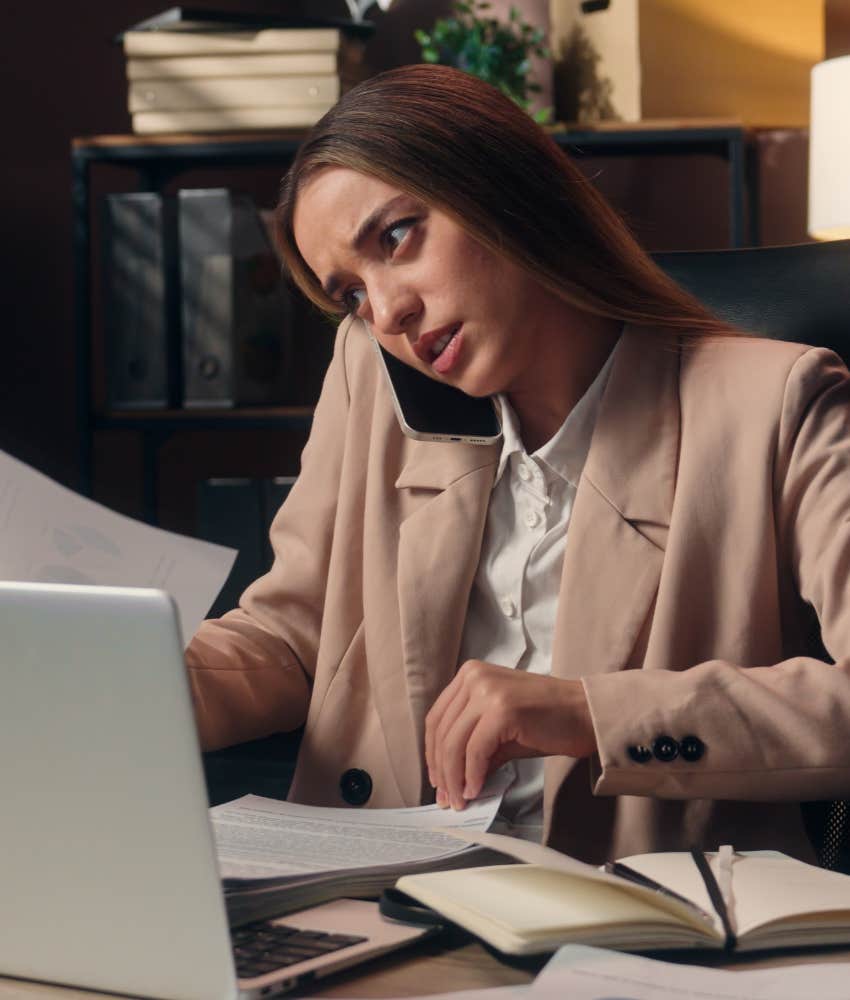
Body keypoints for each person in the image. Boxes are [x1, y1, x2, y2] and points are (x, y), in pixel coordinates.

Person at [186, 64, 850, 864]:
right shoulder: (372, 371)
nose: (388, 311)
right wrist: (131, 683)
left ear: (501, 187)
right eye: (351, 294)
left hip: (639, 928)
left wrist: (590, 714)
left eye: (396, 238)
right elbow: (294, 636)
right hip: (378, 901)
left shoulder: (777, 401)